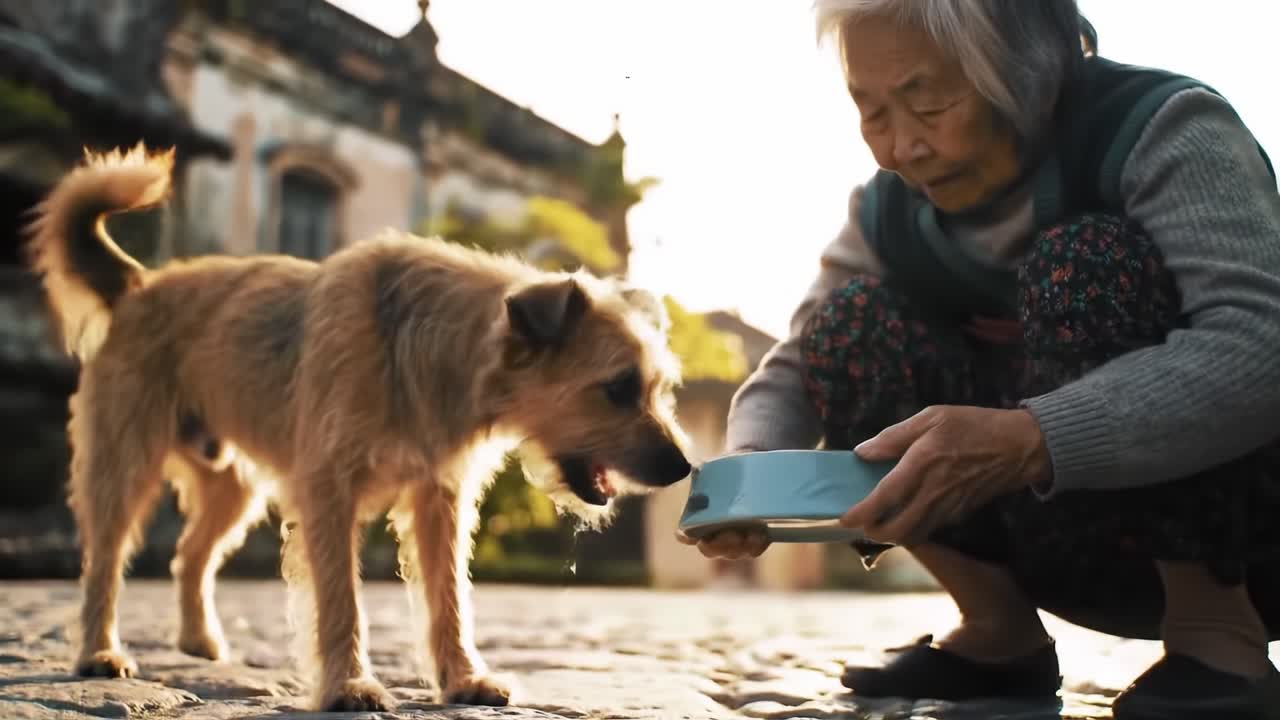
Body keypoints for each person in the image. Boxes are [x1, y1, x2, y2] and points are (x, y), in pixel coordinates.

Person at [678, 2, 1280, 718]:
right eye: (870, 112)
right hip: (1056, 548)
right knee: (848, 324)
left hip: (1245, 542)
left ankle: (1216, 637)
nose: (900, 147)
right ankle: (997, 631)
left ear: (1027, 71)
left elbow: (1258, 344)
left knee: (1082, 265)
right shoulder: (888, 212)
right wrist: (752, 474)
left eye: (927, 102)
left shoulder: (1165, 128)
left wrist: (1033, 439)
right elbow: (796, 363)